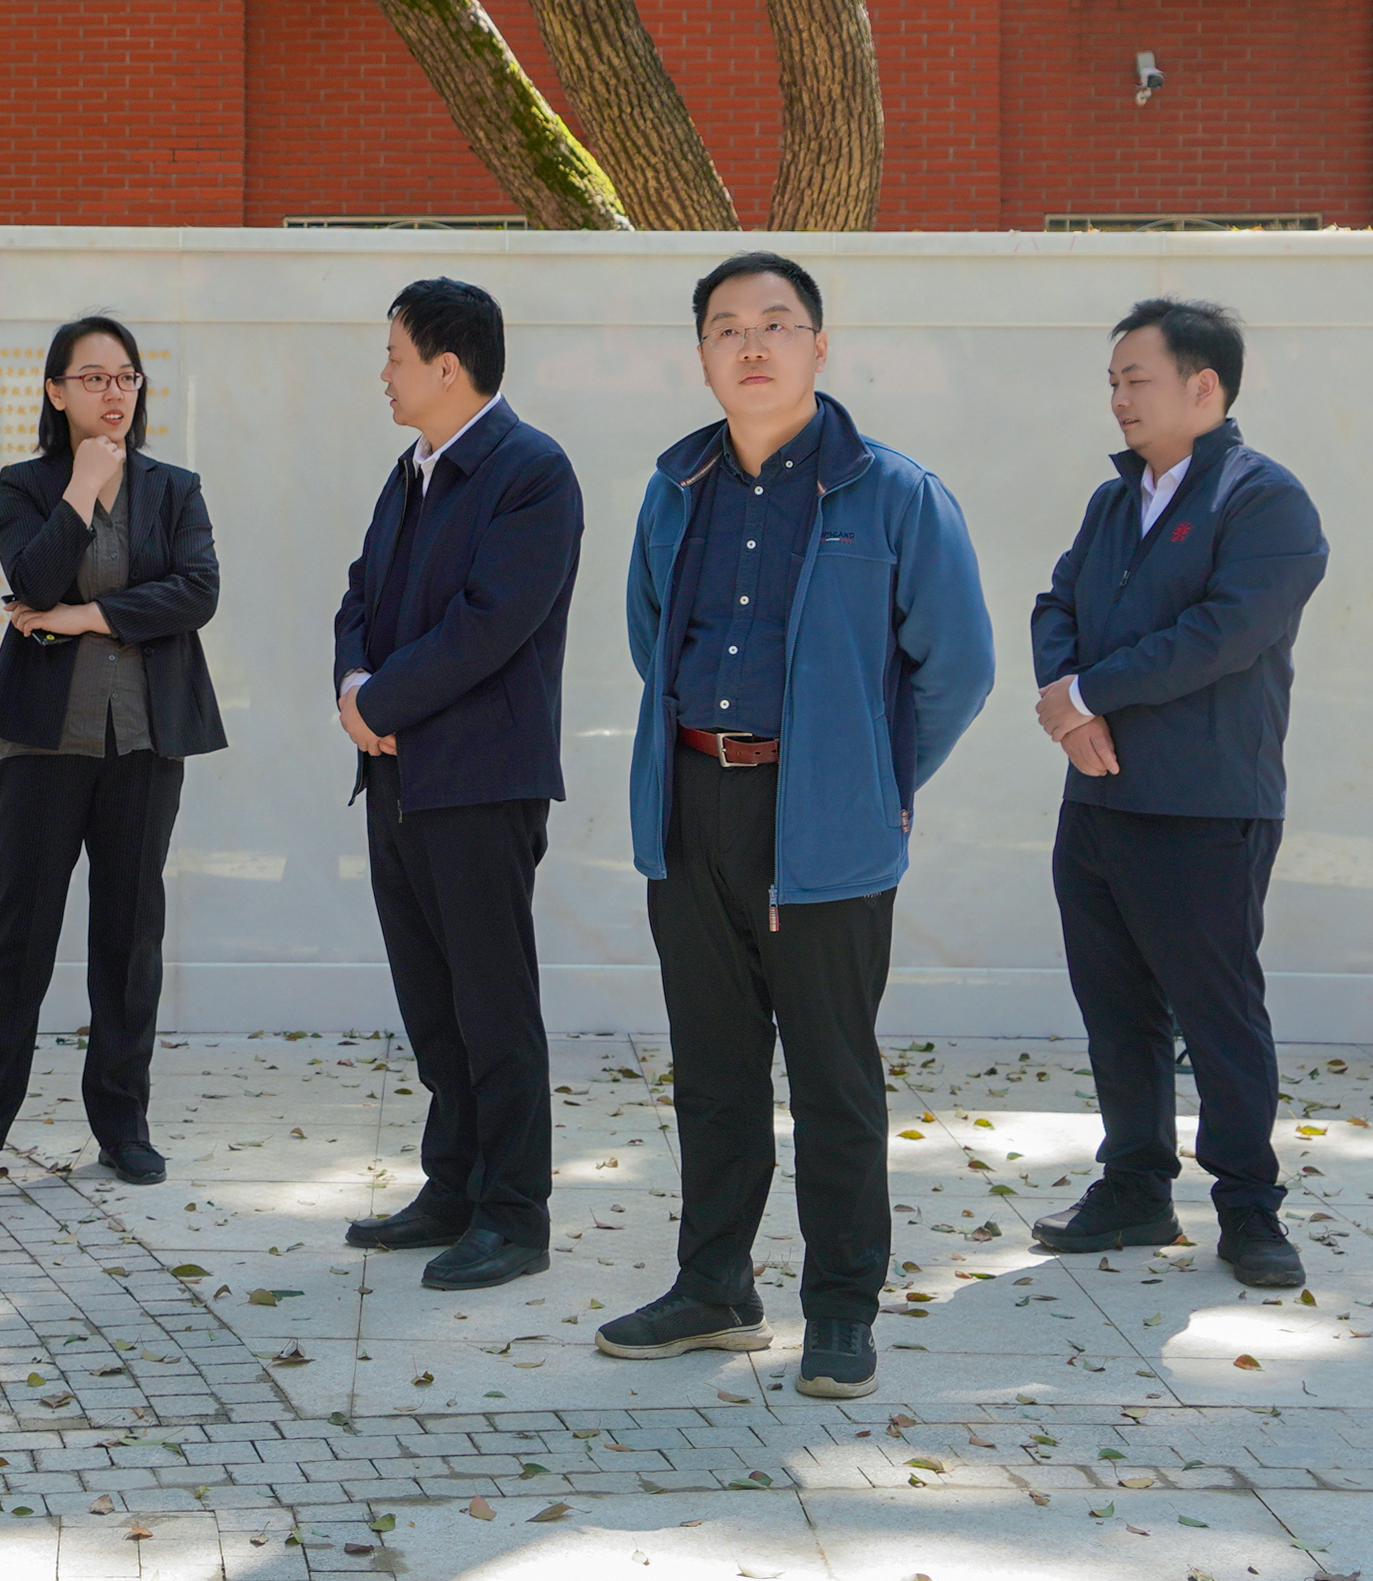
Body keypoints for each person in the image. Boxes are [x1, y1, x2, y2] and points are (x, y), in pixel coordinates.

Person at [597, 250, 992, 1402]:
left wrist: (870, 776)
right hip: (692, 803)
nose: (751, 344)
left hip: (823, 821)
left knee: (832, 1075)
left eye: (776, 322)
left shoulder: (895, 493)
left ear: (819, 345)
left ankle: (841, 1307)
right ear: (703, 356)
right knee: (713, 1069)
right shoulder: (675, 488)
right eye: (726, 327)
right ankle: (713, 1287)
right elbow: (649, 635)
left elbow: (957, 666)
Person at [1029, 299, 1327, 1289]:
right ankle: (1133, 1188)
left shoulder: (1264, 500)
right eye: (1111, 381)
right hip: (1098, 800)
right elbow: (1056, 604)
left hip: (1204, 804)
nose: (1118, 397)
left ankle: (1248, 1206)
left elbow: (1222, 633)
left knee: (1216, 1010)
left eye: (1136, 378)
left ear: (1204, 386)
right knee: (1115, 1007)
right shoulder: (1113, 501)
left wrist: (1088, 692)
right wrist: (1069, 708)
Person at [331, 279, 582, 1294]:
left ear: (447, 366)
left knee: (491, 1001)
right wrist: (354, 689)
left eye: (394, 356)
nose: (382, 374)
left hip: (479, 779)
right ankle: (452, 1187)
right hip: (397, 773)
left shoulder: (531, 472)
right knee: (431, 999)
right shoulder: (411, 471)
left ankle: (514, 1213)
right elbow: (361, 593)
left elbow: (489, 623)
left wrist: (380, 701)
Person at [0, 315, 223, 1191]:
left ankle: (122, 1124)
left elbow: (196, 591)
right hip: (43, 739)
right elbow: (30, 579)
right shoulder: (25, 484)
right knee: (19, 934)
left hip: (145, 736)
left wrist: (83, 616)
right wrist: (84, 485)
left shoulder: (174, 488)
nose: (113, 392)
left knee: (129, 936)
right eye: (93, 377)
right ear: (55, 391)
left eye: (126, 377)